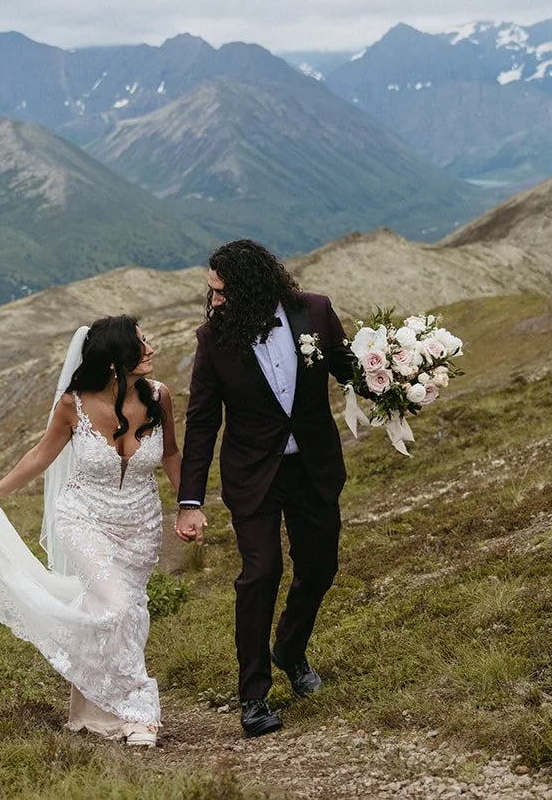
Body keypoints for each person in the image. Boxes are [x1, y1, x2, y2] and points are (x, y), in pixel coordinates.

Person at [0, 316, 180, 748]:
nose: (151, 348)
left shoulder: (160, 397)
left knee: (126, 612)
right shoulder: (73, 405)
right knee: (117, 607)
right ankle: (139, 711)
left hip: (141, 525)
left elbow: (172, 453)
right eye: (141, 343)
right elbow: (40, 455)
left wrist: (190, 506)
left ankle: (93, 710)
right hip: (84, 519)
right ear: (116, 360)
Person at [174, 239, 359, 737]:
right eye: (212, 291)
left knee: (319, 568)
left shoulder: (315, 311)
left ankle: (290, 650)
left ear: (253, 286)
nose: (214, 300)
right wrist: (189, 500)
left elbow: (348, 370)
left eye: (222, 291)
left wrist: (399, 381)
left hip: (313, 467)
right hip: (253, 473)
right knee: (261, 573)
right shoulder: (214, 338)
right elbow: (202, 420)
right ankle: (253, 696)